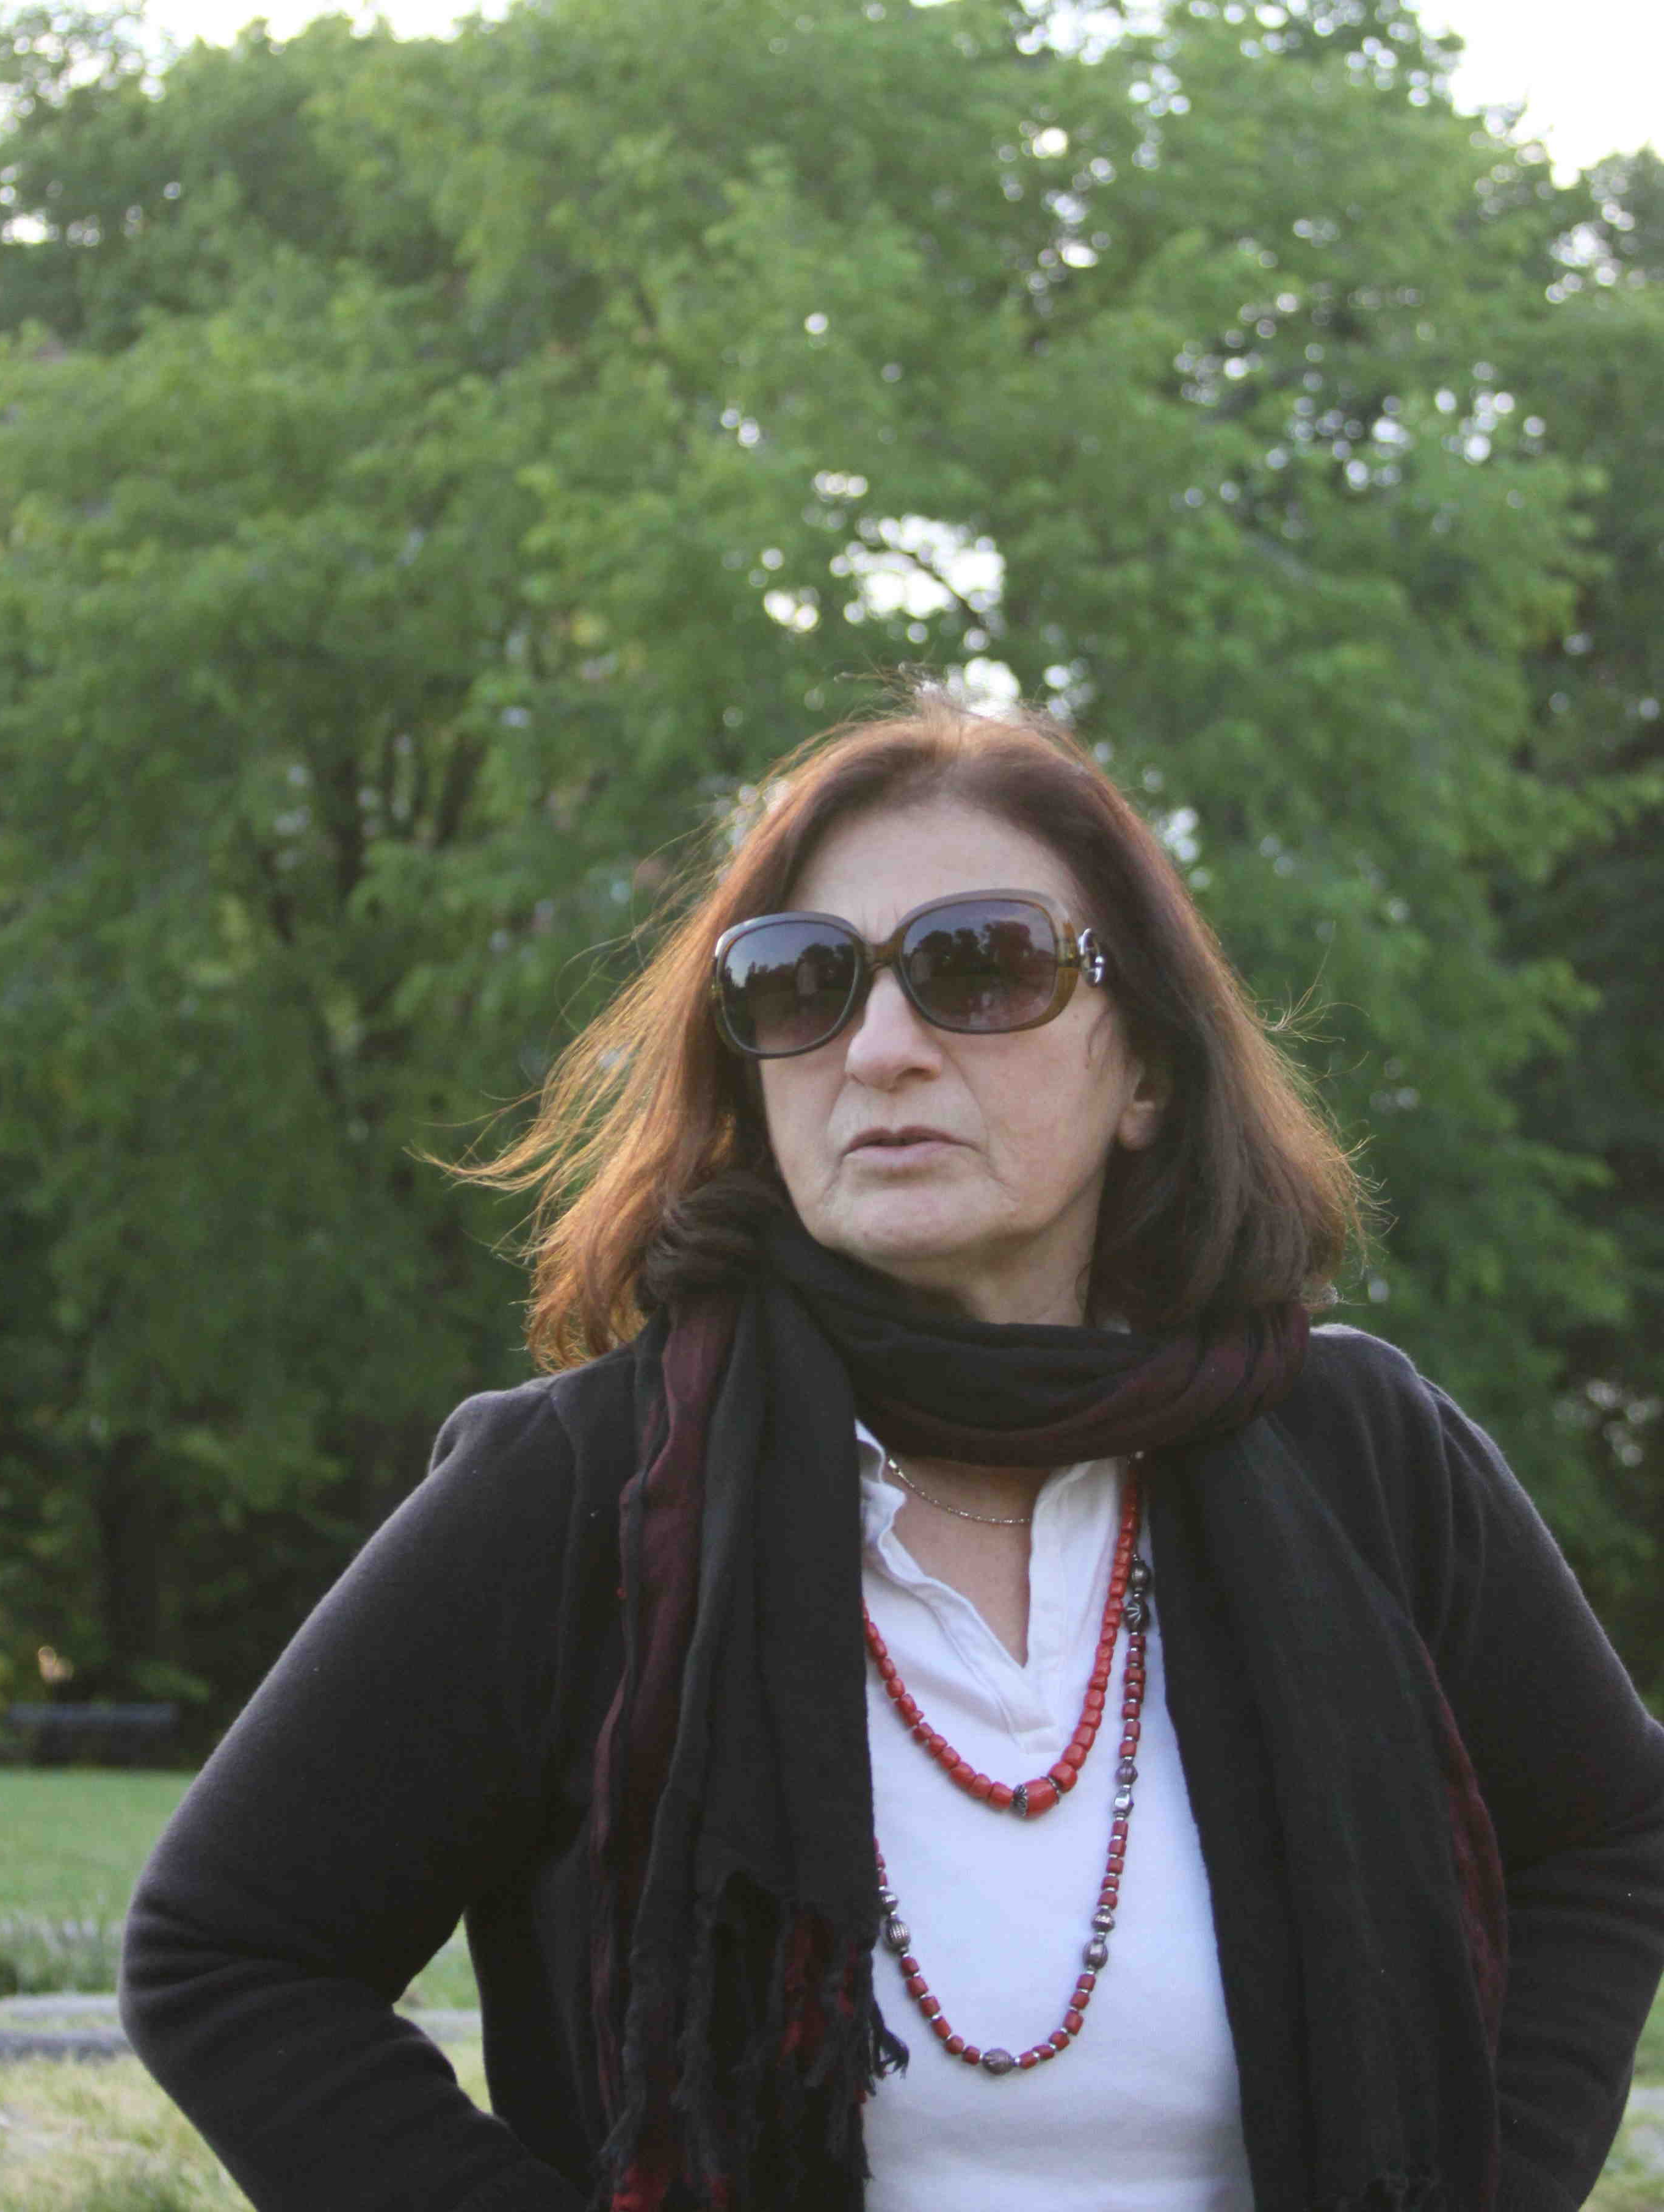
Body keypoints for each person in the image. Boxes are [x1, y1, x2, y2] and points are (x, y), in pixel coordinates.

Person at [120, 692, 1664, 2212]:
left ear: (1146, 1069)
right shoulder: (585, 1490)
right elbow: (229, 1953)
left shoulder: (1357, 1455)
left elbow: (1612, 1834)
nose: (876, 1050)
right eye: (799, 984)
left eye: (980, 967)